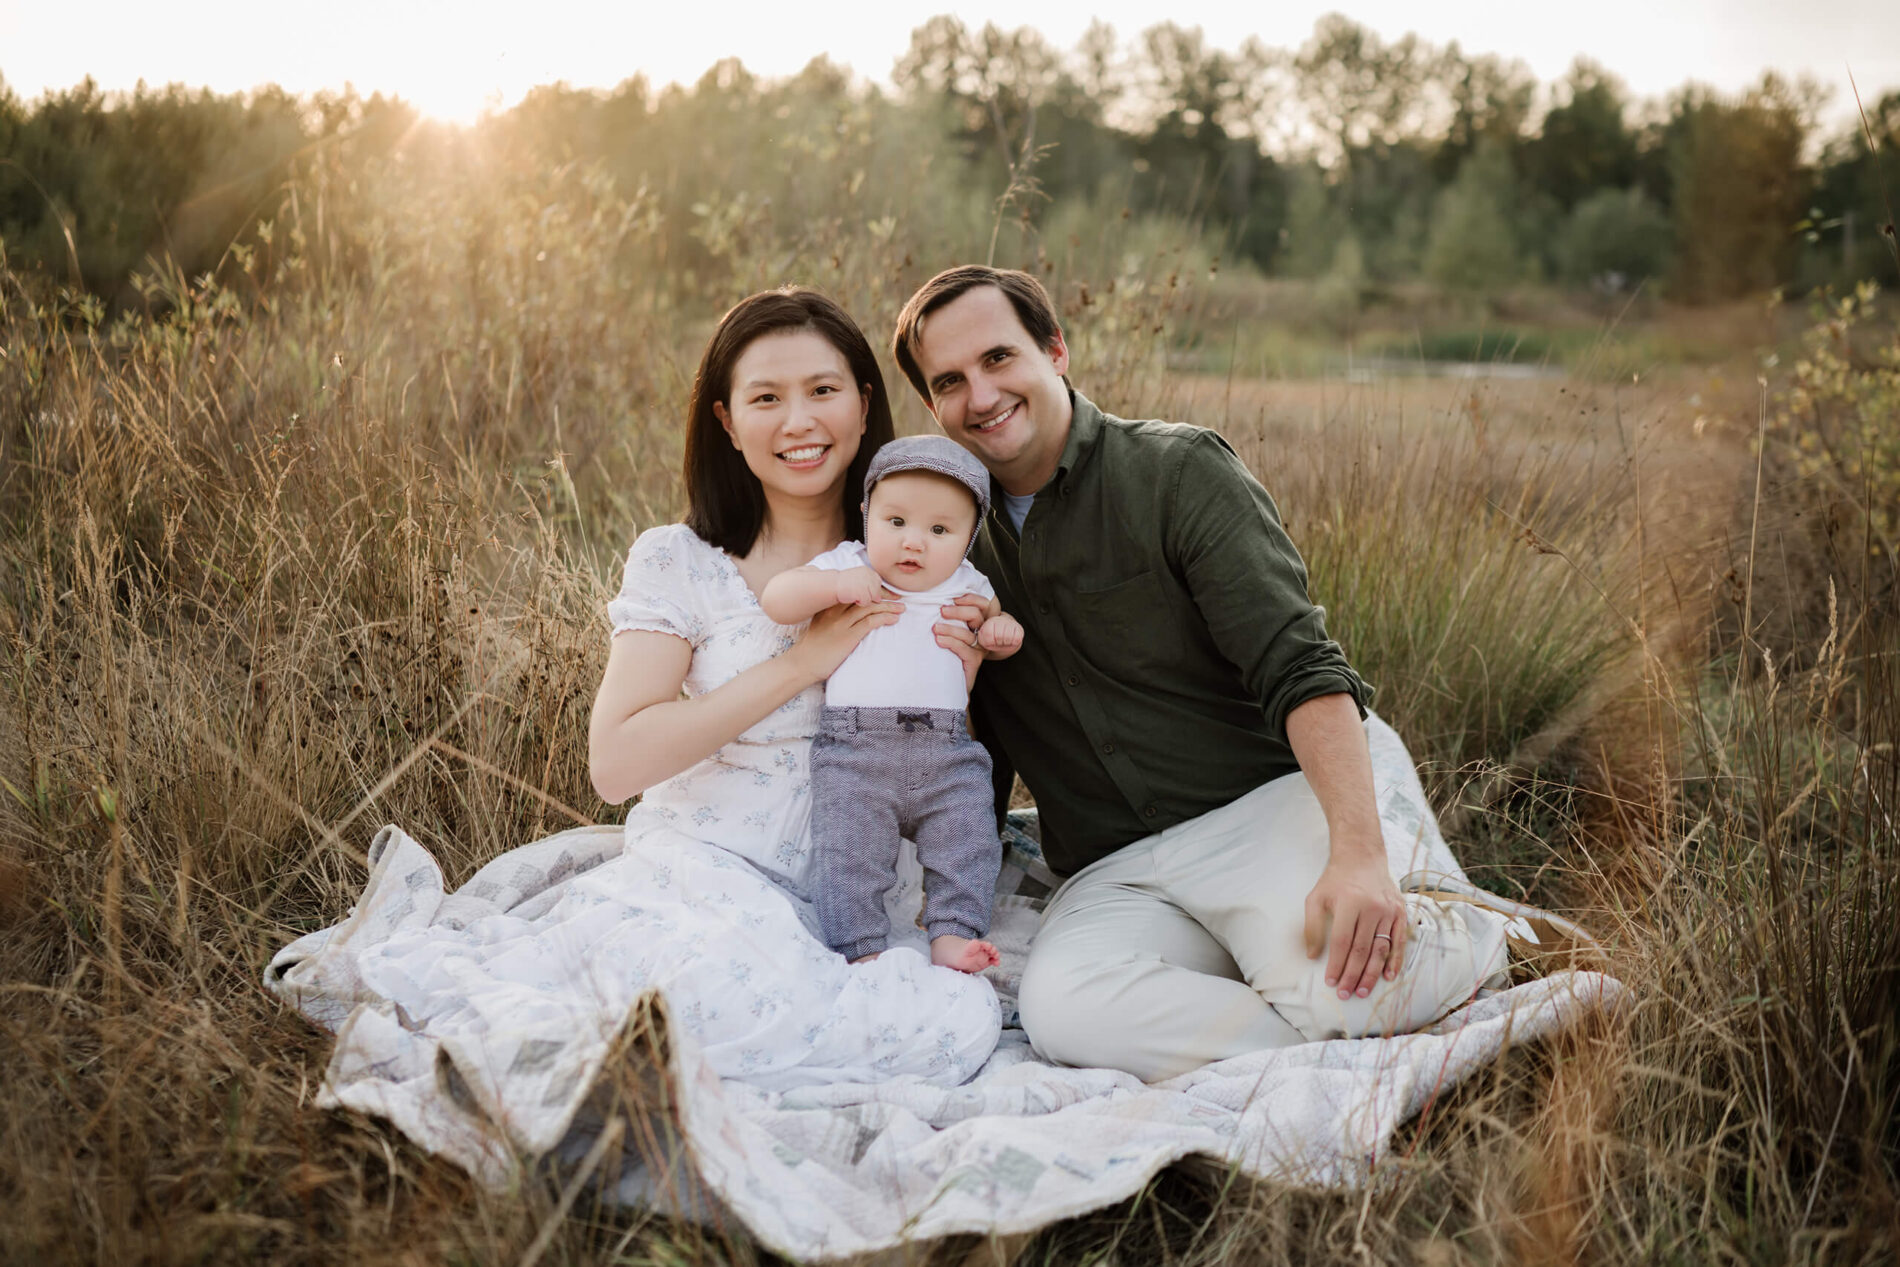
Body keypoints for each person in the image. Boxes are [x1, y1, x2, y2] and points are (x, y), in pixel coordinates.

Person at [268, 290, 1001, 1158]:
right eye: (766, 397)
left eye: (824, 390)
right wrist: (800, 663)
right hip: (708, 873)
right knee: (684, 1008)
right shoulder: (681, 562)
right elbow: (615, 765)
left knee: (946, 1025)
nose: (800, 420)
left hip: (867, 884)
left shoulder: (930, 545)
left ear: (865, 403)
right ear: (727, 422)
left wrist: (966, 664)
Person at [891, 265, 1600, 1083]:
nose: (980, 395)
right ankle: (1326, 1054)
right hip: (1114, 870)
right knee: (1064, 1011)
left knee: (1361, 992)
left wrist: (1359, 856)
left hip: (1259, 809)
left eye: (998, 359)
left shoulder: (1176, 472)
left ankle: (1476, 936)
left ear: (1055, 348)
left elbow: (1299, 665)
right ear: (934, 407)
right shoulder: (947, 556)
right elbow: (972, 758)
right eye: (950, 381)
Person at [761, 435, 1024, 974]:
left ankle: (952, 932)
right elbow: (777, 599)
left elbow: (998, 628)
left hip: (946, 751)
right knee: (847, 852)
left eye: (939, 530)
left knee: (969, 838)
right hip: (856, 752)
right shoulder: (849, 563)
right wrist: (835, 586)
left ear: (968, 539)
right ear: (867, 516)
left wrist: (1002, 630)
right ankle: (860, 946)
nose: (914, 544)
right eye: (896, 522)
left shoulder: (969, 583)